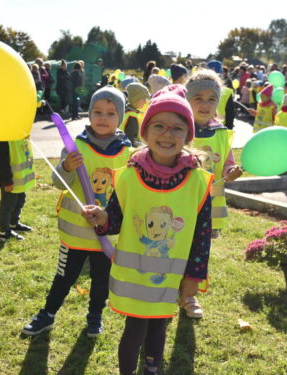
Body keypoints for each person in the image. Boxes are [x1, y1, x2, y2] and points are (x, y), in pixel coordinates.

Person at [81, 85, 212, 375]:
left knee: (159, 325)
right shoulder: (128, 175)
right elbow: (114, 218)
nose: (167, 135)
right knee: (136, 327)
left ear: (188, 136)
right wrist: (101, 217)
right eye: (159, 126)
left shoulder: (198, 182)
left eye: (177, 129)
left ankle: (152, 369)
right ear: (145, 131)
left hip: (170, 278)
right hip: (134, 278)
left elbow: (202, 235)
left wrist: (194, 276)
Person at [22, 87, 133, 338]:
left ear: (121, 118)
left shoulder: (127, 154)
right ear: (89, 114)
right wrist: (66, 167)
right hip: (74, 235)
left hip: (106, 236)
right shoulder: (75, 146)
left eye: (110, 113)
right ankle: (47, 314)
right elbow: (58, 182)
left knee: (101, 281)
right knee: (64, 276)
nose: (103, 117)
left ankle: (95, 316)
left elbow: (128, 193)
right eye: (97, 112)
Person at [185, 70, 243, 319]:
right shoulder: (179, 129)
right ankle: (167, 292)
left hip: (207, 209)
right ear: (186, 100)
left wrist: (231, 171)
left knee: (198, 252)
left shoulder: (222, 133)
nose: (205, 104)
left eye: (211, 99)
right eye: (198, 98)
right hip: (179, 203)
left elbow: (226, 162)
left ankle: (189, 296)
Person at [0, 137, 35, 241]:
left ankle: (13, 223)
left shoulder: (16, 129)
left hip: (18, 177)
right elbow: (2, 159)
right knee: (8, 204)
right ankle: (4, 232)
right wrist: (7, 181)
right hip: (8, 178)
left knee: (20, 199)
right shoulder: (0, 135)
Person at [122, 82, 150, 146]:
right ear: (135, 98)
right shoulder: (132, 116)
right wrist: (144, 147)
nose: (145, 102)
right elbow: (132, 140)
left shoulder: (124, 111)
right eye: (143, 99)